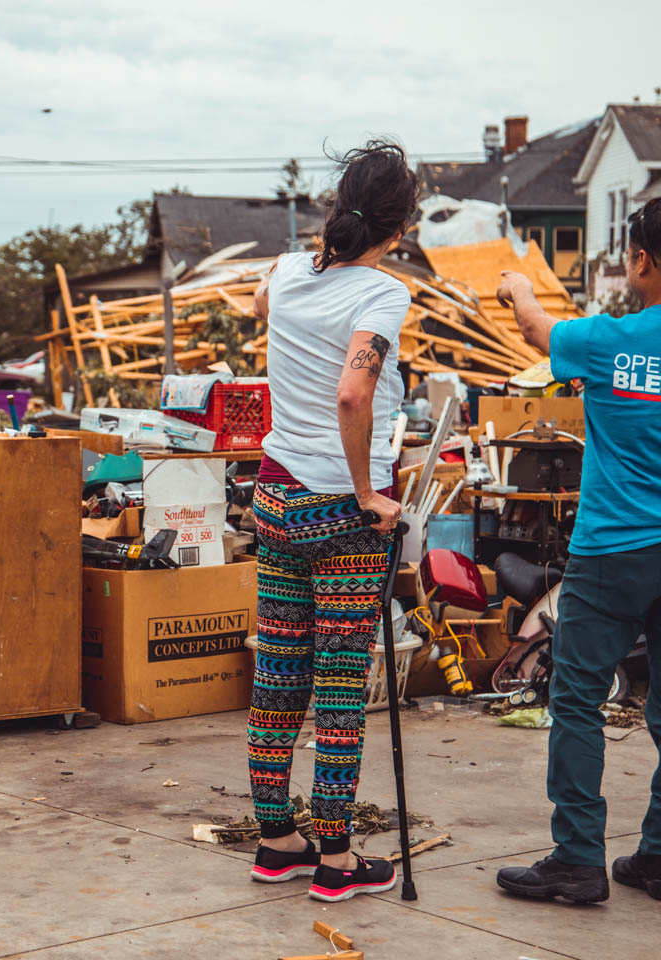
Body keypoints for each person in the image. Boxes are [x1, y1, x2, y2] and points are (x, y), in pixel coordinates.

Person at [493, 197, 661, 904]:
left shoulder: (607, 342)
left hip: (612, 553)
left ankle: (580, 857)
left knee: (577, 697)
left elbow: (531, 327)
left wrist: (518, 284)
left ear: (640, 260)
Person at [244, 139, 419, 903]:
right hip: (338, 515)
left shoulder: (284, 273)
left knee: (279, 675)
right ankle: (338, 862)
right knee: (341, 685)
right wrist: (367, 493)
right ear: (401, 224)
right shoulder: (381, 294)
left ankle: (277, 840)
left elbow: (258, 303)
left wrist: (304, 277)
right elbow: (355, 394)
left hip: (276, 499)